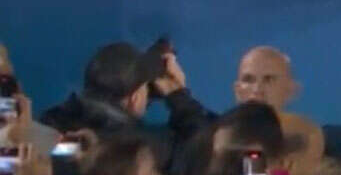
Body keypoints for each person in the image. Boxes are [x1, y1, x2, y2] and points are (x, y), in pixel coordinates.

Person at [41, 43, 212, 175]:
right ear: (135, 98)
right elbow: (204, 150)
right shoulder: (148, 149)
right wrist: (178, 95)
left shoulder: (54, 133)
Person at [230, 50, 322, 174]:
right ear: (237, 91)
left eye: (269, 80)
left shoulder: (307, 137)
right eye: (248, 80)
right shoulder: (216, 139)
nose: (257, 90)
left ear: (292, 90)